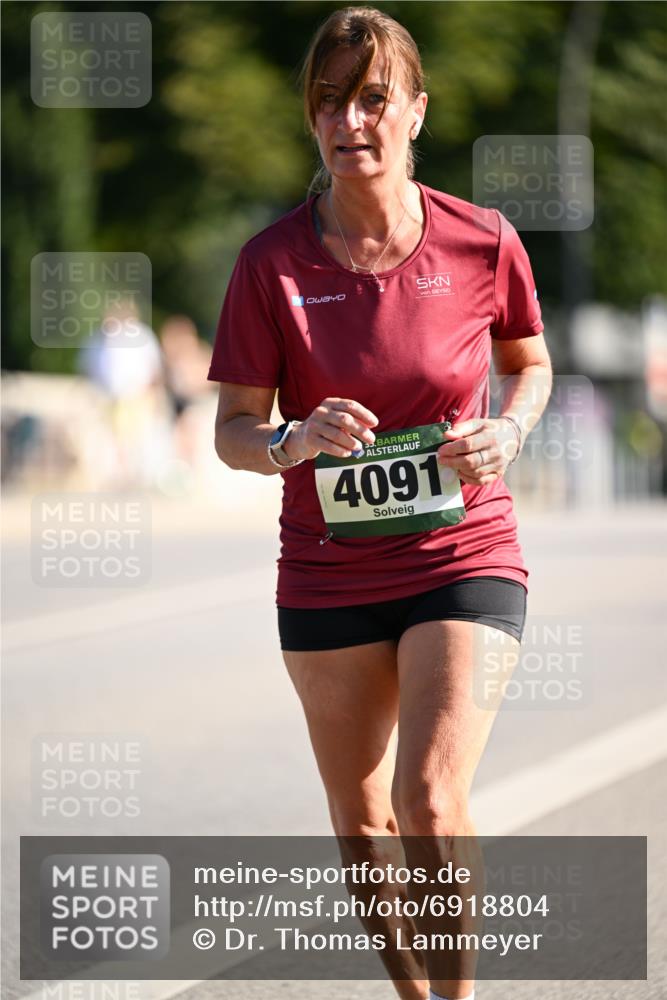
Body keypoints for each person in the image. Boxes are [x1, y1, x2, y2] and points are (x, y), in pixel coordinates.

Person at [208, 8, 552, 1000]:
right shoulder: (270, 264)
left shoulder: (482, 240)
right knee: (364, 825)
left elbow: (528, 363)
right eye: (328, 100)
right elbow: (233, 430)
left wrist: (508, 431)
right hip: (328, 572)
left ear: (415, 112)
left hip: (461, 550)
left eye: (371, 97)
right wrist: (291, 440)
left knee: (430, 801)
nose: (348, 119)